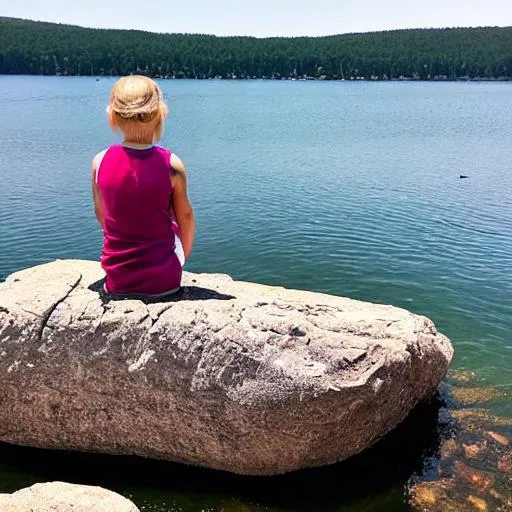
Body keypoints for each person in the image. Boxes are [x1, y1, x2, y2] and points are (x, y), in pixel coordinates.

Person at [91, 75, 195, 297]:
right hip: (164, 281)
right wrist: (180, 259)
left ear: (112, 117)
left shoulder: (100, 161)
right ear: (160, 114)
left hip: (118, 281)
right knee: (173, 224)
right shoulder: (171, 165)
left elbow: (102, 215)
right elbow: (185, 217)